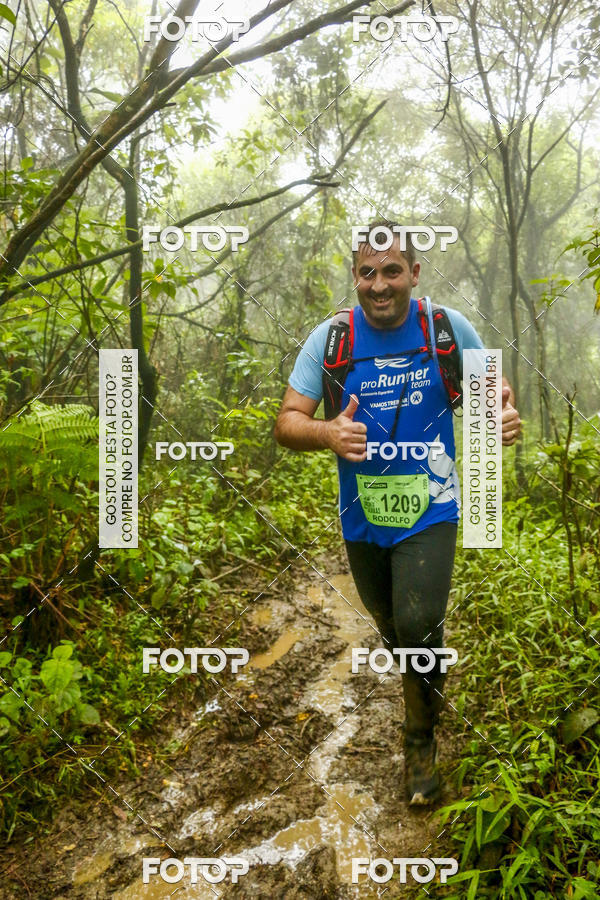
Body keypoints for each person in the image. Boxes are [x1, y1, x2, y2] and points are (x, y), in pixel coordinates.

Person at [273, 221, 522, 805]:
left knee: (417, 623)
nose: (379, 285)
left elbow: (494, 399)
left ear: (414, 272)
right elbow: (286, 422)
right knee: (396, 631)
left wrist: (502, 419)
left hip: (431, 511)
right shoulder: (331, 339)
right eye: (368, 273)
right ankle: (426, 678)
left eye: (391, 271)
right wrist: (327, 433)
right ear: (355, 276)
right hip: (363, 518)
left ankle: (419, 745)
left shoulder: (446, 329)